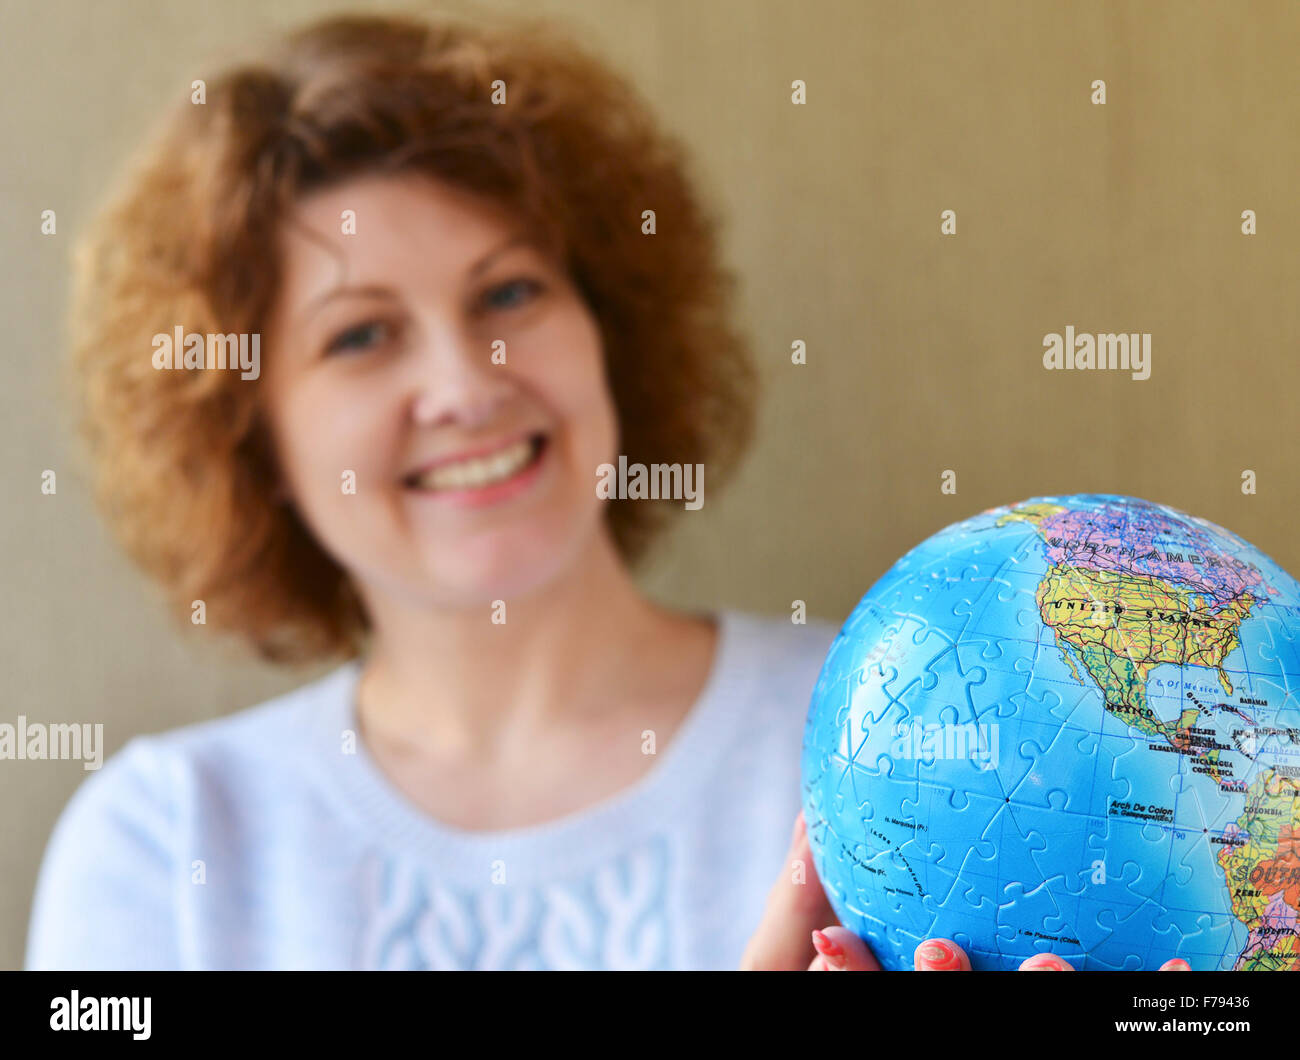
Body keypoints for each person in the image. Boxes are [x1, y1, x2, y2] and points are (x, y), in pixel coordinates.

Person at [24, 10, 1181, 973]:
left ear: (609, 332)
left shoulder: (914, 737)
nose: (465, 384)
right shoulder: (162, 843)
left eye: (509, 294)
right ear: (250, 434)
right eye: (362, 334)